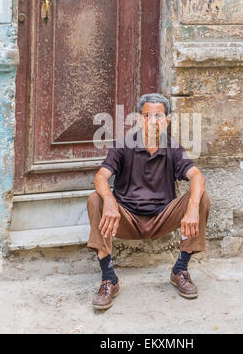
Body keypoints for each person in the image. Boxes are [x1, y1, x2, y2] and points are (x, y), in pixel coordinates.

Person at [87, 93, 210, 310]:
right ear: (138, 118)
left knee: (201, 197)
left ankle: (180, 269)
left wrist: (191, 208)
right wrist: (109, 200)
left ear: (167, 121)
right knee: (95, 198)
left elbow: (197, 176)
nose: (153, 121)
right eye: (147, 115)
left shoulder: (172, 148)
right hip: (126, 219)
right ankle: (109, 278)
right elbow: (100, 176)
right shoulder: (124, 145)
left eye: (159, 116)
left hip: (163, 217)